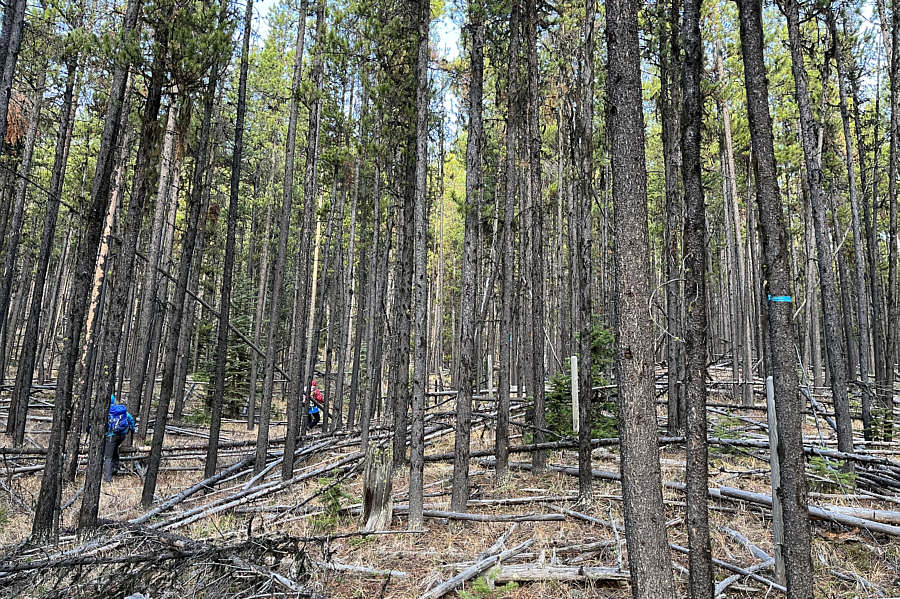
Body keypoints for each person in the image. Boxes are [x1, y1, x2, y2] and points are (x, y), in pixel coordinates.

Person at [104, 394, 135, 482]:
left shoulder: (106, 410)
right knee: (114, 449)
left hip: (111, 435)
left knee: (108, 457)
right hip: (122, 435)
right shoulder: (120, 410)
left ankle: (107, 479)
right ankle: (115, 468)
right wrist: (132, 429)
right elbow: (130, 419)